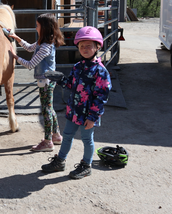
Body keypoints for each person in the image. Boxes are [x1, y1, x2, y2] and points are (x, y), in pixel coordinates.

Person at [41, 26, 112, 179]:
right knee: (67, 135)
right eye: (81, 46)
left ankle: (86, 165)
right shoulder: (77, 67)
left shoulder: (101, 71)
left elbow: (101, 97)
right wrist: (61, 79)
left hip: (89, 114)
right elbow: (72, 85)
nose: (85, 49)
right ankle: (60, 161)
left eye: (89, 46)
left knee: (87, 139)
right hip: (74, 111)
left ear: (97, 46)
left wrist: (93, 117)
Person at [8, 13, 65, 152]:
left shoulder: (46, 46)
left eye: (37, 25)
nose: (35, 28)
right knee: (49, 108)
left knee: (46, 110)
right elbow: (29, 47)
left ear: (44, 28)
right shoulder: (42, 42)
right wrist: (16, 38)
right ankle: (56, 135)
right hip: (46, 80)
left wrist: (14, 57)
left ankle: (47, 141)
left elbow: (30, 64)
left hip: (46, 82)